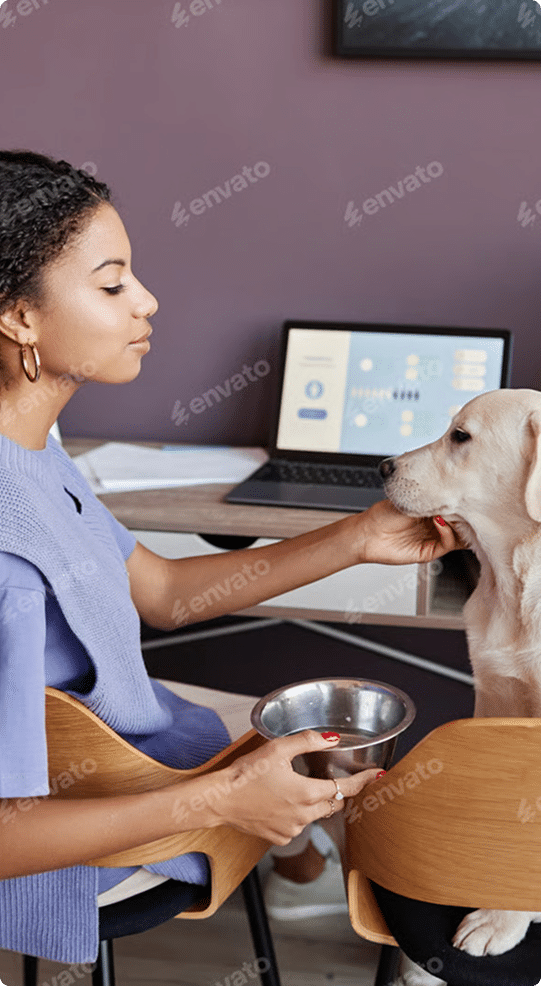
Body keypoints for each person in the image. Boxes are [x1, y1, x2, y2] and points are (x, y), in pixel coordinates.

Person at [0, 150, 461, 965]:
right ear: (19, 317)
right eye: (111, 284)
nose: (146, 301)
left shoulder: (30, 455)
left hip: (126, 757)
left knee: (287, 724)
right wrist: (221, 797)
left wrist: (356, 537)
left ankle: (299, 861)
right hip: (77, 845)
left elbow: (166, 592)